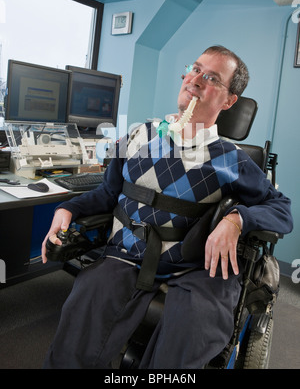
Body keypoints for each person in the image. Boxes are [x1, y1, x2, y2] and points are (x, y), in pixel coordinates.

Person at [42, 45, 293, 369]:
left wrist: (236, 219)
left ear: (229, 100)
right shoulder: (135, 137)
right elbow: (108, 193)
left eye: (212, 77)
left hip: (197, 270)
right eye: (195, 69)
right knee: (80, 321)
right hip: (125, 257)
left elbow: (282, 208)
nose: (196, 80)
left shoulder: (233, 160)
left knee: (191, 332)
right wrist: (69, 209)